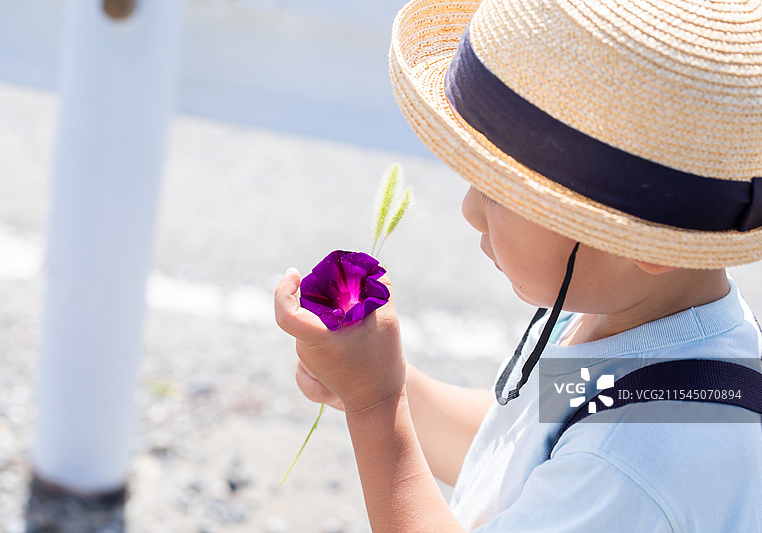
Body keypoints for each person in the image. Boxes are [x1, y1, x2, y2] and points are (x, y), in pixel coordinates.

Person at [275, 0, 762, 530]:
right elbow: (510, 453)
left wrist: (376, 406)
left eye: (503, 192)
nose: (469, 210)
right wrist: (384, 383)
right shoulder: (648, 334)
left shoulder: (632, 464)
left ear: (642, 244)